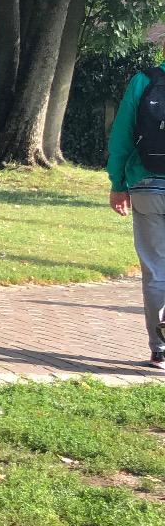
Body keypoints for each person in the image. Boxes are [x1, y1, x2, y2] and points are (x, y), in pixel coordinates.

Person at [106, 20, 165, 368]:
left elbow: (122, 136)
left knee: (156, 270)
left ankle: (159, 349)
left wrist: (118, 183)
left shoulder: (143, 81)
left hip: (146, 185)